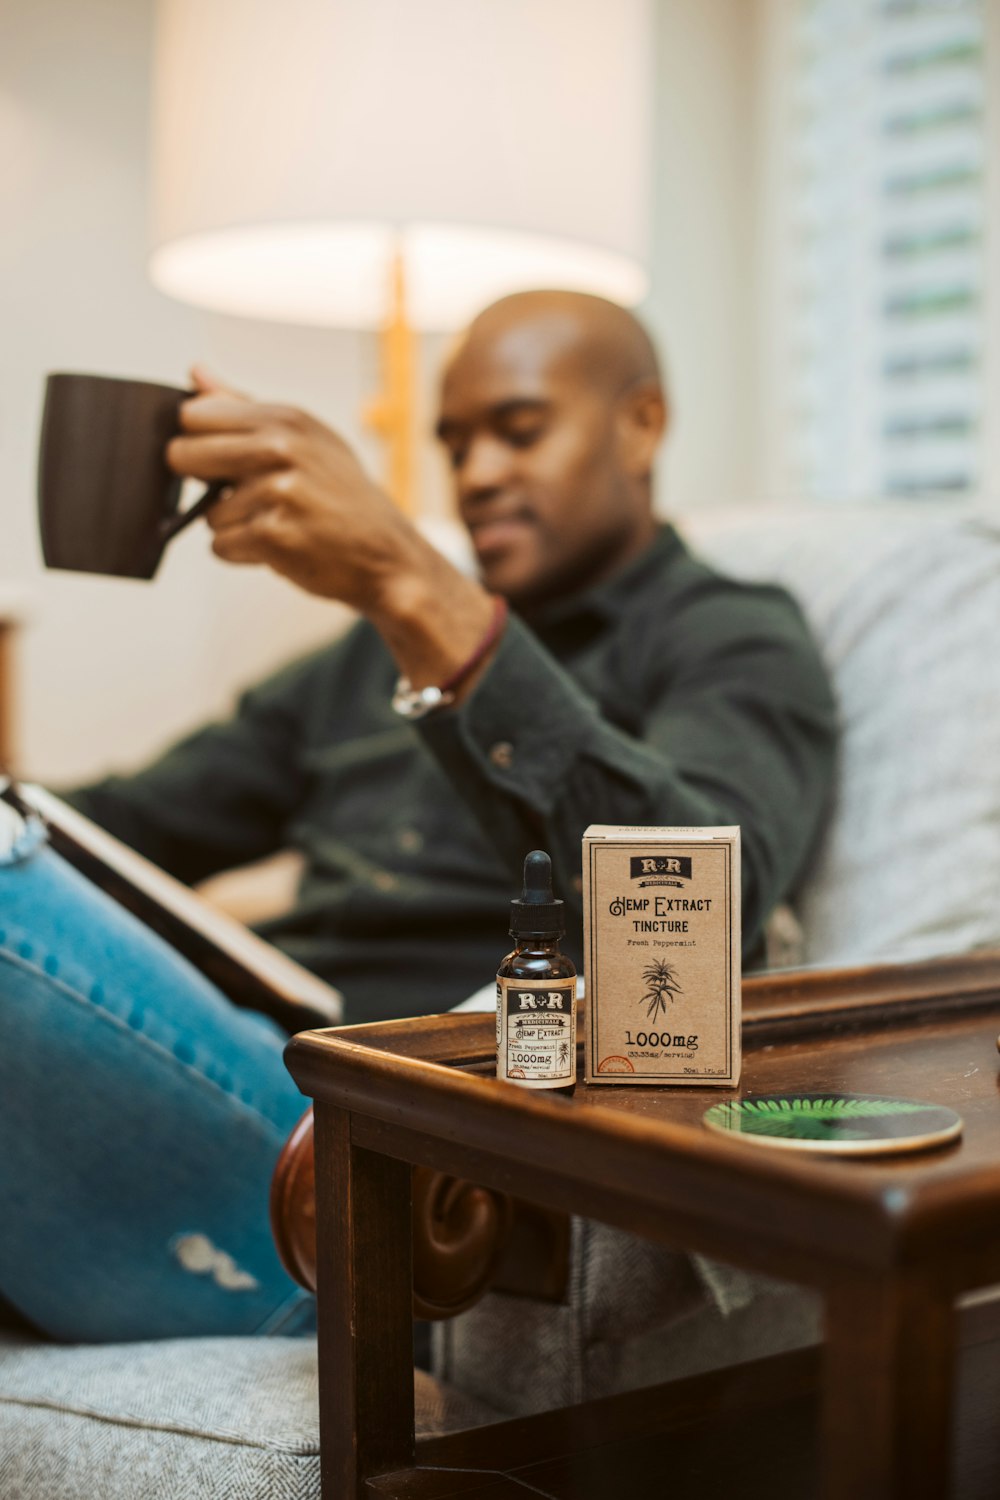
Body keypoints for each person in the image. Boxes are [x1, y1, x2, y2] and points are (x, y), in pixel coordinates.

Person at [0, 291, 836, 1343]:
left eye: (519, 430)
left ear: (642, 423)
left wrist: (409, 582)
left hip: (381, 1163)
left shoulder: (730, 636)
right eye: (454, 442)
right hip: (242, 1053)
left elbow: (698, 906)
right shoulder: (357, 662)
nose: (477, 472)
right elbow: (131, 821)